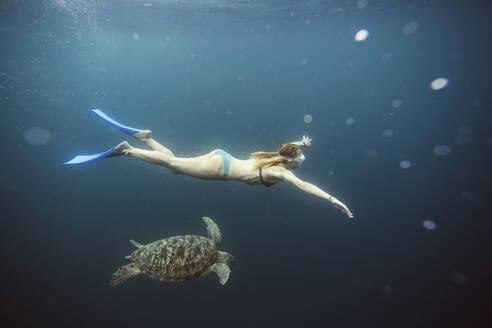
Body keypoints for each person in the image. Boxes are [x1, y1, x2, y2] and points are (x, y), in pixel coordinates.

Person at [65, 109, 353, 218]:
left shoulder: (273, 156)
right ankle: (127, 149)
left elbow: (287, 149)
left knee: (175, 165)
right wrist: (333, 199)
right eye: (300, 162)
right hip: (221, 169)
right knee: (174, 166)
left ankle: (147, 139)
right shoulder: (279, 170)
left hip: (222, 159)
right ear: (292, 164)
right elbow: (304, 185)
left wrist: (301, 145)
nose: (299, 165)